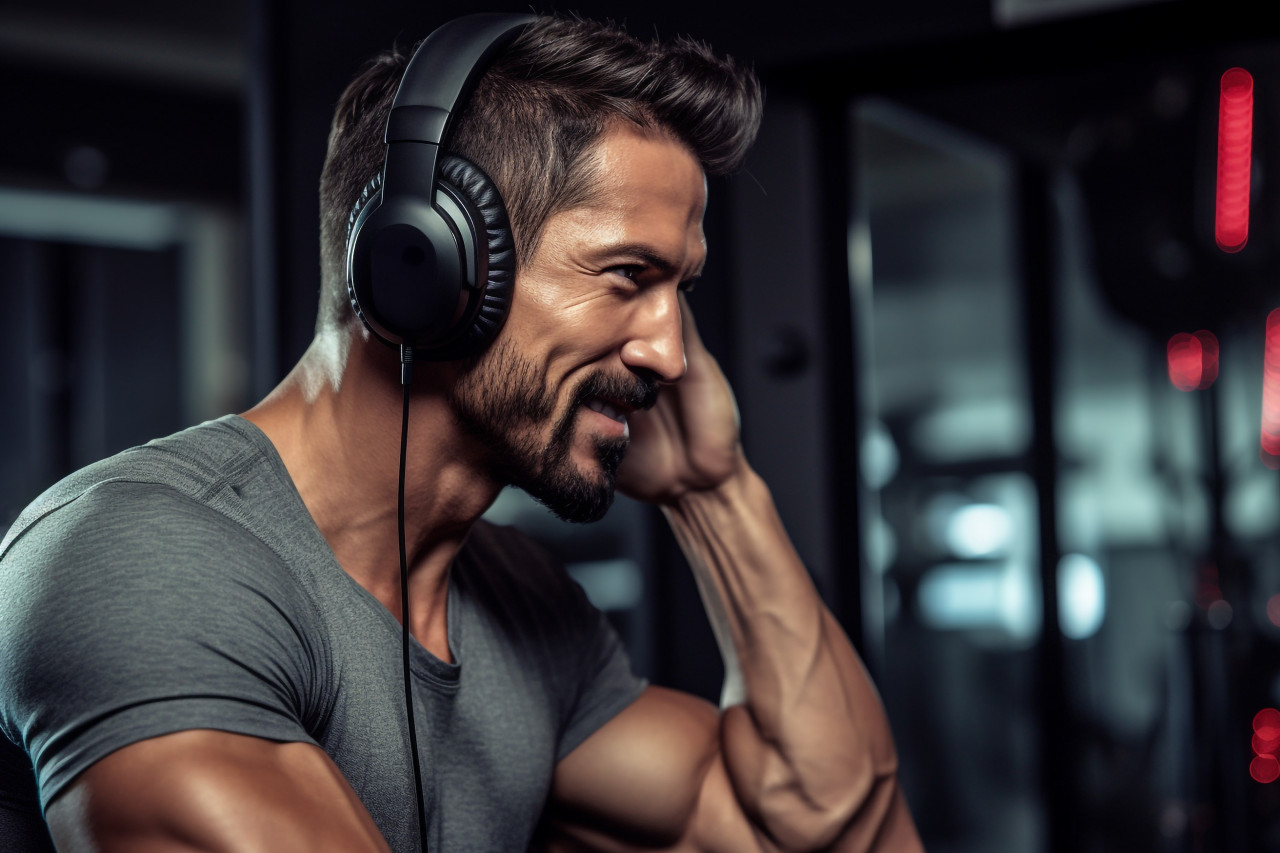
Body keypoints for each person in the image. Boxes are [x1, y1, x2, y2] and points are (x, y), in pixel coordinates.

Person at [0, 14, 921, 853]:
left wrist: (713, 490)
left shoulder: (522, 602)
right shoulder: (147, 557)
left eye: (680, 291)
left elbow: (830, 829)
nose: (672, 354)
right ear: (428, 263)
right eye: (628, 274)